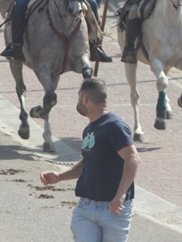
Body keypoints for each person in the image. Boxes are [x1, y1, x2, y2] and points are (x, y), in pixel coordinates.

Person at [40, 78, 139, 241]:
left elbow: (133, 158)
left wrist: (120, 195)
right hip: (86, 207)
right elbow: (88, 162)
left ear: (85, 99)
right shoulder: (90, 129)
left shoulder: (114, 126)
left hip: (114, 209)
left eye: (79, 97)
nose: (78, 102)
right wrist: (59, 176)